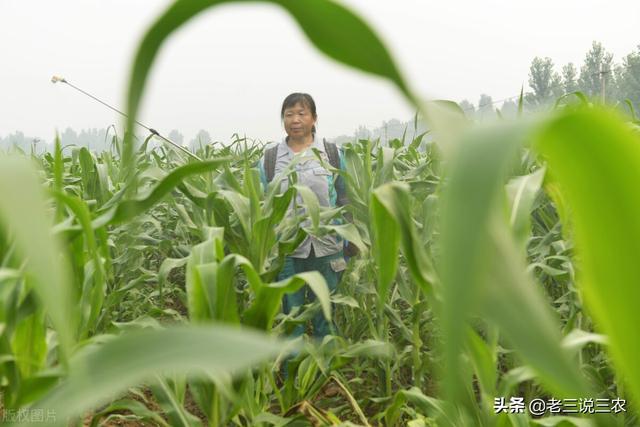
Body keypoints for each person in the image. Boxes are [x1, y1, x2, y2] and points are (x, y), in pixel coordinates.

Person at [258, 92, 350, 339]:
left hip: (328, 247)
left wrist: (351, 241)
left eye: (301, 113)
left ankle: (326, 374)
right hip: (287, 251)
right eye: (289, 114)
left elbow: (346, 198)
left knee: (326, 316)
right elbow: (260, 205)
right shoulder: (269, 160)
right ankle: (293, 375)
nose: (295, 120)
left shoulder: (332, 154)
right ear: (283, 120)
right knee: (292, 320)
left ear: (314, 119)